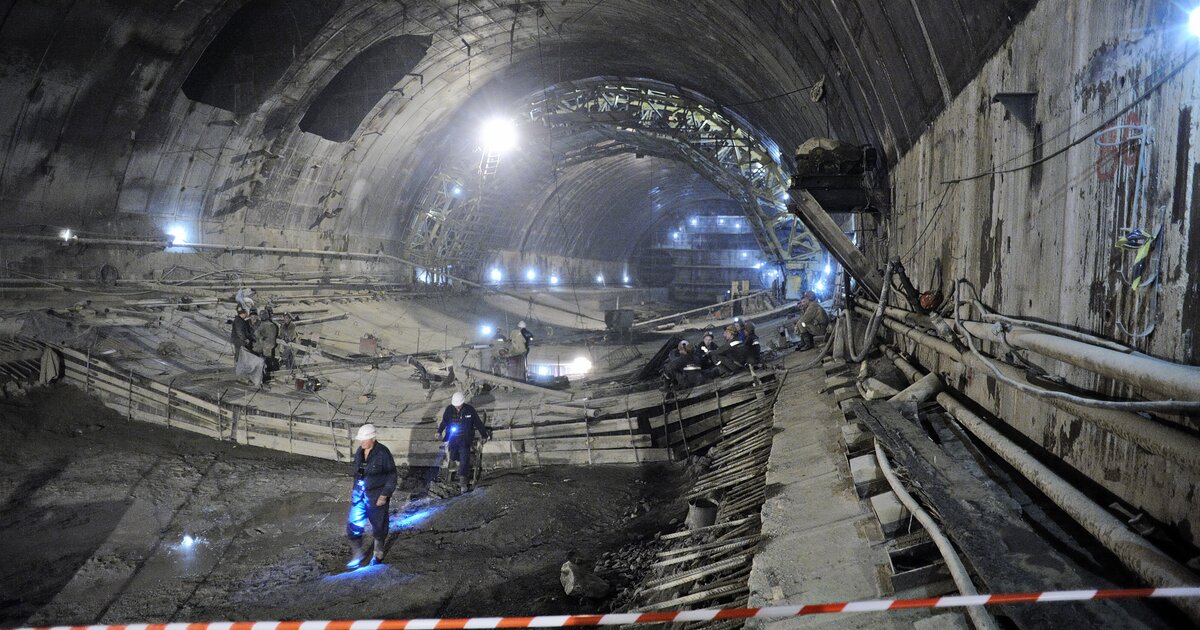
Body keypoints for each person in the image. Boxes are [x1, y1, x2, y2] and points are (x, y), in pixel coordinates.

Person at [346, 423, 397, 568]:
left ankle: (378, 552)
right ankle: (358, 553)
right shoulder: (359, 452)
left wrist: (384, 495)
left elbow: (392, 476)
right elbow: (356, 472)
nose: (361, 442)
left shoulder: (383, 453)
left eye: (364, 440)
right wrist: (355, 490)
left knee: (379, 525)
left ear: (372, 438)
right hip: (359, 494)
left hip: (376, 496)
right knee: (354, 524)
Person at [438, 392, 492, 493]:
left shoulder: (469, 410)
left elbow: (478, 423)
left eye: (459, 405)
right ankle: (457, 461)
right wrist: (439, 431)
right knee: (453, 456)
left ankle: (463, 483)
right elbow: (444, 422)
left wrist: (484, 435)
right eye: (456, 406)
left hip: (465, 439)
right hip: (453, 438)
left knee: (464, 458)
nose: (458, 407)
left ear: (463, 402)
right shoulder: (449, 409)